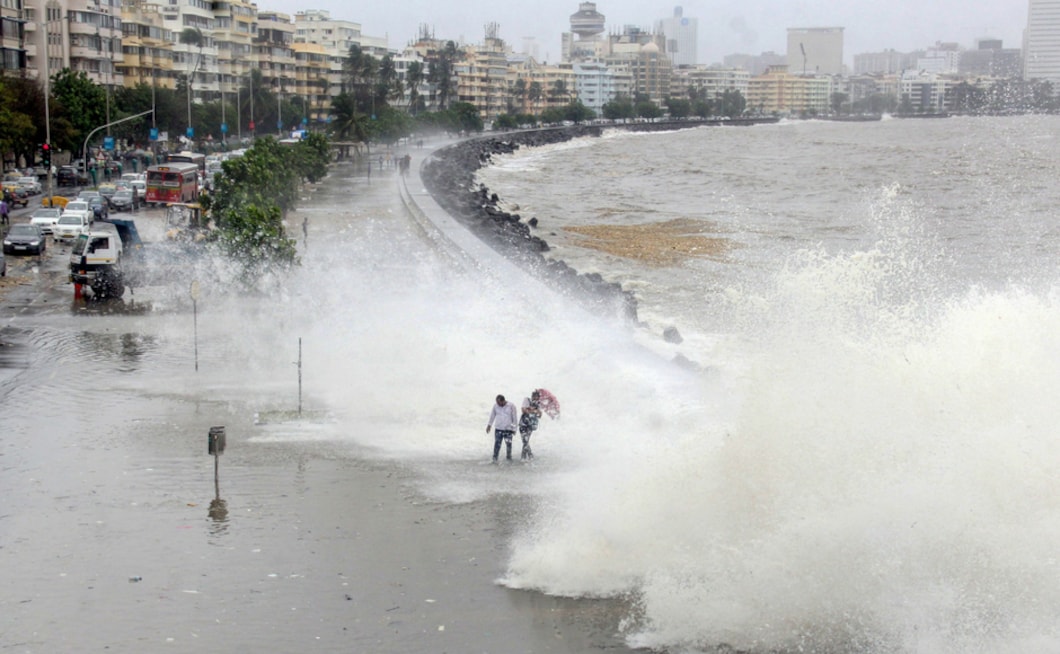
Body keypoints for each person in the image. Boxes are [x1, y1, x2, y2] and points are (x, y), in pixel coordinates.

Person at [486, 394, 517, 462]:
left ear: (503, 401)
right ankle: (495, 459)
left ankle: (509, 458)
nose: (497, 404)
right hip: (498, 428)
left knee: (508, 445)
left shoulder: (511, 406)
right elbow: (492, 415)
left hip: (508, 429)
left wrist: (514, 429)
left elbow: (514, 417)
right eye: (497, 402)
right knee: (497, 444)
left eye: (499, 402)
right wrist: (489, 425)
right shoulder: (495, 406)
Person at [519, 391, 542, 460]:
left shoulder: (538, 404)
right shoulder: (526, 399)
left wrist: (530, 409)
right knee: (525, 440)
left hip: (530, 425)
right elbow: (523, 410)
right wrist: (535, 411)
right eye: (534, 397)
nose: (536, 399)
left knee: (526, 440)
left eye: (537, 397)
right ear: (532, 396)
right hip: (523, 423)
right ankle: (530, 454)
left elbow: (540, 414)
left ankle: (523, 456)